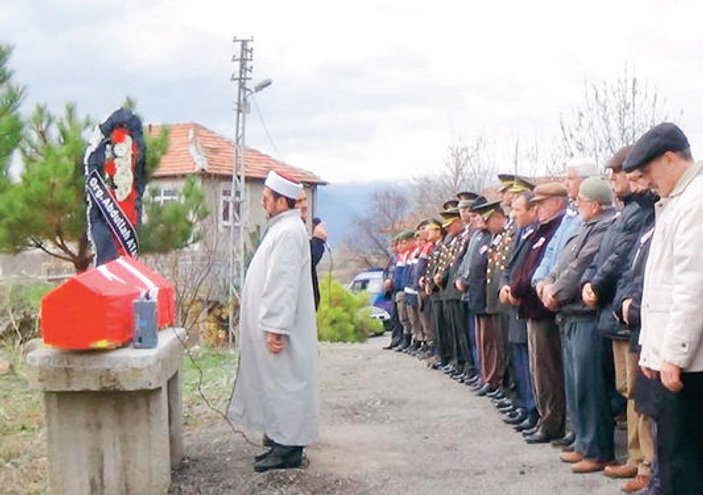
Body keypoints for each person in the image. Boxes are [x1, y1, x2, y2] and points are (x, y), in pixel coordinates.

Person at [623, 122, 703, 494]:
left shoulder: (696, 202)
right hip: (671, 358)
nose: (648, 183)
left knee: (684, 463)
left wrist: (673, 354)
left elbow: (692, 286)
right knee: (673, 460)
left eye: (650, 173)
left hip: (688, 364)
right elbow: (659, 287)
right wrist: (650, 348)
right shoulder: (675, 203)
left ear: (670, 159)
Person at [228, 170, 319, 472]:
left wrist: (276, 327)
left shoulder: (289, 232)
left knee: (285, 386)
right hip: (271, 327)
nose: (263, 203)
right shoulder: (283, 229)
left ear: (282, 201)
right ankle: (281, 441)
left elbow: (283, 283)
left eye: (267, 198)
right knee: (277, 385)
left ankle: (288, 449)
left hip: (281, 331)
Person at [579, 146, 655, 488]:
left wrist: (598, 284)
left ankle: (645, 464)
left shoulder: (643, 212)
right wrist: (591, 281)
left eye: (618, 175)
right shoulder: (626, 213)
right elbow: (609, 255)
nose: (614, 181)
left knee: (638, 391)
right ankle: (636, 458)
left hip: (628, 312)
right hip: (616, 309)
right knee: (627, 388)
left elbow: (625, 258)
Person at [541, 176, 617, 473]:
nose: (577, 205)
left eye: (582, 201)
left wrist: (555, 292)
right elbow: (561, 263)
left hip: (585, 317)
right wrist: (548, 283)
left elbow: (581, 266)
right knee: (575, 385)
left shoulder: (603, 228)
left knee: (590, 386)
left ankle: (598, 450)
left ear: (596, 205)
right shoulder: (583, 226)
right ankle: (584, 444)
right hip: (569, 314)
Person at [508, 183, 568, 444]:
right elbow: (525, 266)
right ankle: (545, 418)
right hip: (530, 306)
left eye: (541, 204)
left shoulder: (557, 228)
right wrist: (514, 287)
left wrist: (518, 287)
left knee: (548, 370)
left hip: (543, 309)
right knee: (537, 369)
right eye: (535, 205)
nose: (538, 209)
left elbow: (541, 268)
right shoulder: (540, 230)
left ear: (556, 202)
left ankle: (552, 422)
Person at [296, 190, 328, 310]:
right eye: (298, 201)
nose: (304, 206)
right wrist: (318, 241)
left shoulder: (298, 230)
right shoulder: (289, 232)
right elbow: (307, 260)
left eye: (305, 200)